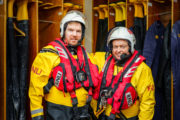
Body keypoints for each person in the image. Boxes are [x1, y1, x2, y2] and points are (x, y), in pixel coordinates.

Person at [29, 10, 99, 120]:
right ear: (63, 31)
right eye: (70, 30)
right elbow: (35, 90)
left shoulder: (86, 55)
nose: (75, 34)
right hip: (58, 112)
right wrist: (37, 116)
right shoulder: (48, 54)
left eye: (78, 31)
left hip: (83, 112)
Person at [91, 27, 155, 120]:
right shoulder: (103, 61)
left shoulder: (142, 69)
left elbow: (147, 102)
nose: (118, 50)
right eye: (115, 47)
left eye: (123, 46)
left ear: (130, 47)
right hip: (104, 115)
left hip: (128, 117)